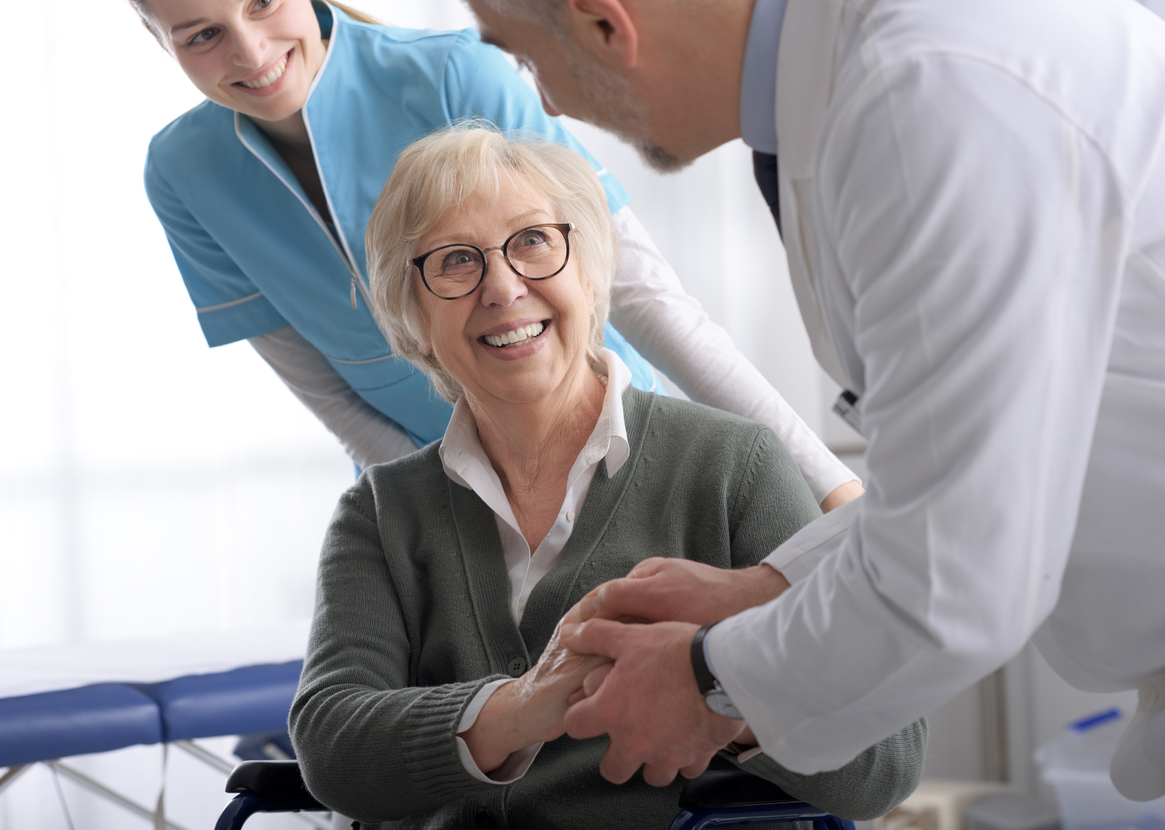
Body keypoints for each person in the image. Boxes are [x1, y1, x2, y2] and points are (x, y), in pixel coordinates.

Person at [443, 0, 1165, 821]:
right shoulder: (874, 66)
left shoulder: (923, 89)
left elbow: (952, 576)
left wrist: (706, 680)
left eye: (526, 60)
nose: (547, 103)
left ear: (601, 26)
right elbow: (982, 473)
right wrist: (773, 584)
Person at [286, 125, 926, 828]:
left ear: (590, 275)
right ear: (411, 316)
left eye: (532, 242)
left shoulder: (731, 468)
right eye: (455, 261)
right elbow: (331, 741)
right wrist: (524, 706)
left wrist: (718, 689)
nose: (502, 288)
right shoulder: (380, 512)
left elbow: (885, 761)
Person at [115, 0, 863, 513]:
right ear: (159, 42)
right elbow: (326, 392)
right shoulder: (181, 174)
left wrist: (826, 482)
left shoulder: (456, 74)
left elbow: (642, 295)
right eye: (201, 36)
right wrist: (460, 517)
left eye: (265, 0)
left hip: (622, 451)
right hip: (428, 487)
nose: (248, 53)